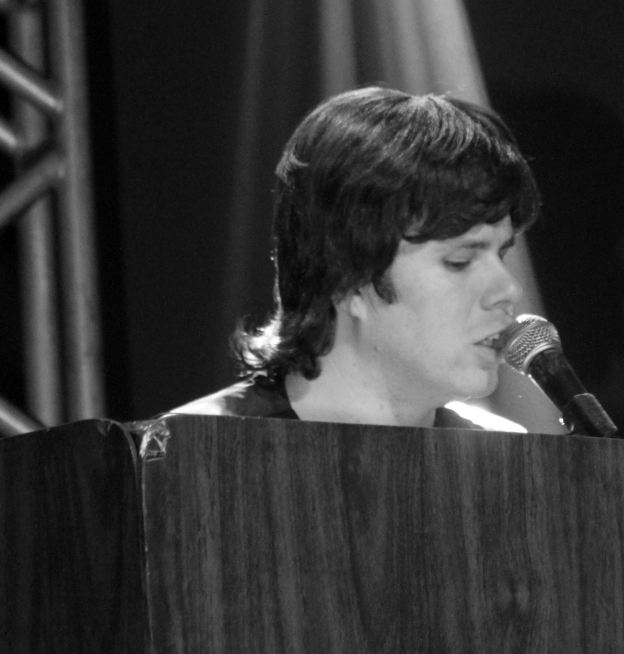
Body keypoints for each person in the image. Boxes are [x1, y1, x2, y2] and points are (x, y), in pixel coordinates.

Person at [176, 85, 557, 430]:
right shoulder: (193, 454)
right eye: (460, 261)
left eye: (501, 253)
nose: (509, 290)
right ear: (348, 279)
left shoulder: (503, 462)